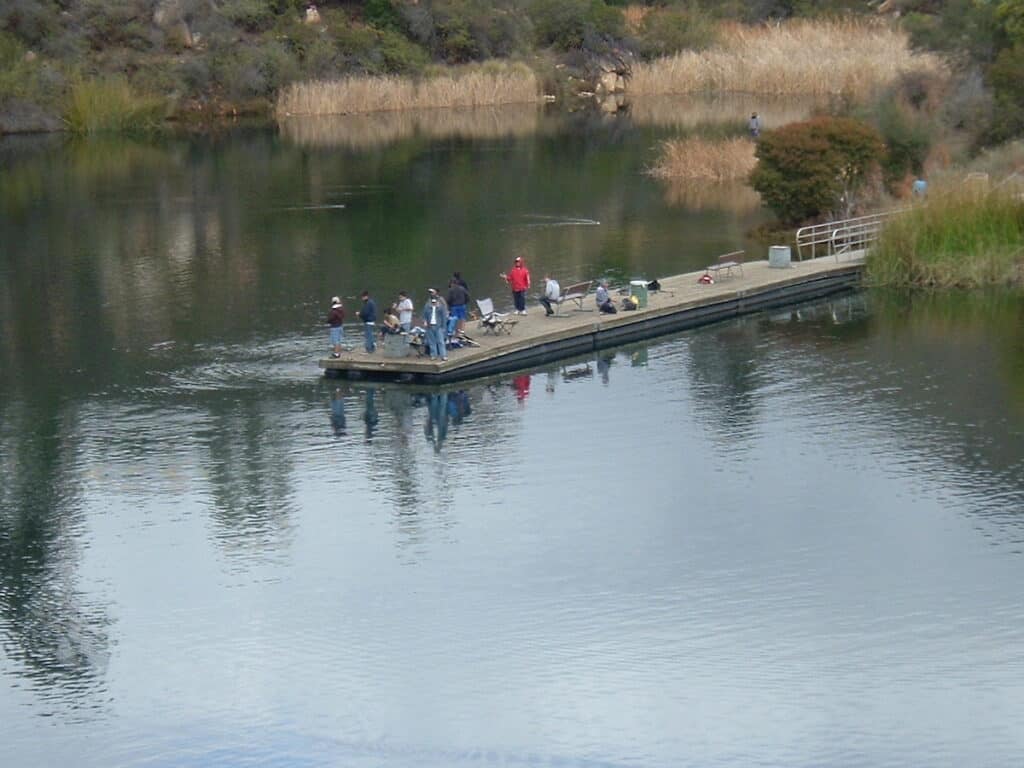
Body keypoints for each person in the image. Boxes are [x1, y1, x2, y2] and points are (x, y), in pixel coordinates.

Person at [422, 293, 448, 361]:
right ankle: (433, 355)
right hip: (429, 326)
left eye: (435, 302)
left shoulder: (441, 307)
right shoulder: (427, 306)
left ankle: (443, 356)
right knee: (431, 342)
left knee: (440, 341)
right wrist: (424, 321)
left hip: (438, 326)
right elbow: (424, 315)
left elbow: (444, 318)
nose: (434, 303)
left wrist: (444, 327)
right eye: (432, 302)